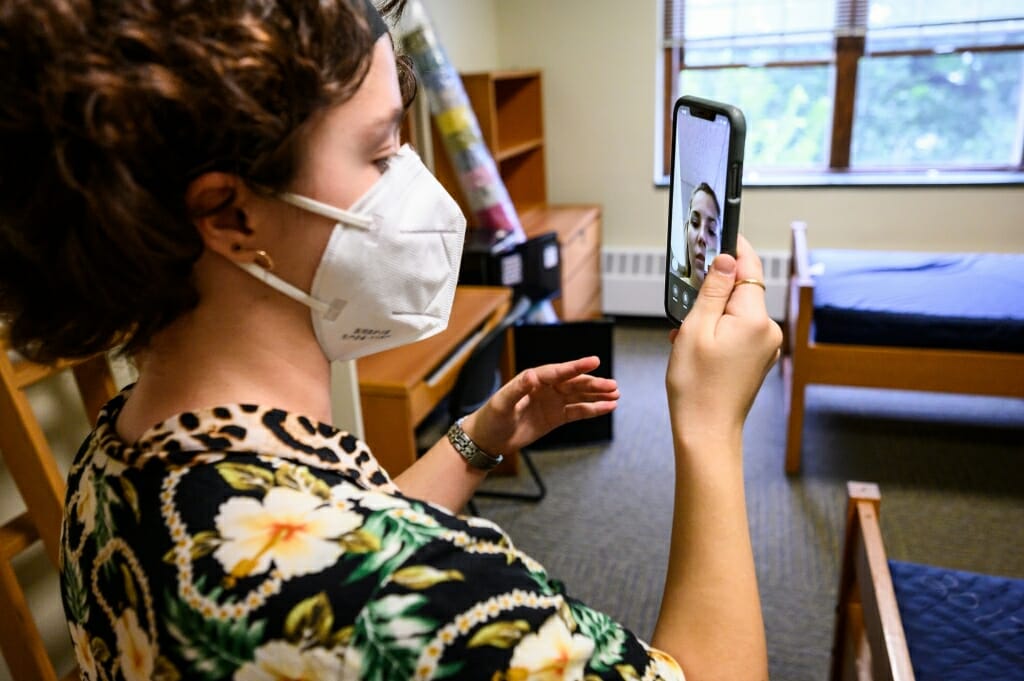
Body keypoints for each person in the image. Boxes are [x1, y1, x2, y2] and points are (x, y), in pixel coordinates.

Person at [0, 1, 781, 679]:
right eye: (380, 152)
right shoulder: (438, 602)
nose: (418, 186)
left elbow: (333, 528)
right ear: (232, 216)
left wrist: (477, 438)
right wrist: (709, 425)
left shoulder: (118, 458)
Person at [681, 182, 721, 289]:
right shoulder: (676, 286)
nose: (702, 236)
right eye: (695, 222)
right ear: (686, 229)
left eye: (711, 230)